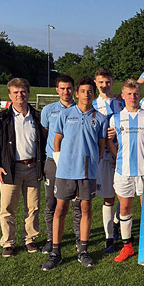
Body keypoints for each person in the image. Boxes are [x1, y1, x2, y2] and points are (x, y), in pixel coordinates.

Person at [42, 77, 108, 271]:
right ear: (77, 93)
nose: (86, 94)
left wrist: (93, 164)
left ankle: (83, 251)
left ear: (94, 95)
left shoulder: (101, 118)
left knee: (86, 209)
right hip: (65, 171)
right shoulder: (65, 114)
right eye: (83, 91)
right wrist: (60, 162)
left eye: (90, 91)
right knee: (60, 209)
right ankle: (56, 252)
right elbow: (57, 140)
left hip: (87, 171)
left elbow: (102, 146)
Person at [0, 78, 46, 257]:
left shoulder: (37, 116)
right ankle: (8, 242)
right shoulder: (2, 118)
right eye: (16, 92)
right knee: (7, 208)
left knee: (33, 207)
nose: (20, 95)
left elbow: (45, 142)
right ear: (10, 95)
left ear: (28, 93)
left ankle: (30, 239)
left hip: (33, 167)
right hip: (10, 169)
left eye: (23, 92)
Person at [107, 79, 144, 263]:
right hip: (123, 171)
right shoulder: (115, 118)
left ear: (140, 95)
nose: (132, 97)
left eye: (136, 94)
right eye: (129, 94)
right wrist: (117, 156)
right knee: (124, 208)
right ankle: (127, 246)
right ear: (122, 96)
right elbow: (109, 142)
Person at [40, 75, 82, 254]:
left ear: (74, 90)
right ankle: (51, 239)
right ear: (57, 90)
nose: (66, 92)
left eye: (69, 88)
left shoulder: (81, 109)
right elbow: (44, 135)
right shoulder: (49, 110)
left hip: (75, 164)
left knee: (77, 203)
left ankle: (80, 238)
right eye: (62, 88)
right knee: (51, 202)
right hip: (53, 162)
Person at [93, 68, 124, 253]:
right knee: (108, 197)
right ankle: (109, 237)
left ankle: (118, 223)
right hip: (104, 156)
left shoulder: (121, 102)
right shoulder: (93, 105)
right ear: (96, 83)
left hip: (123, 155)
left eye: (107, 82)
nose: (104, 85)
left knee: (124, 195)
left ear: (112, 82)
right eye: (101, 82)